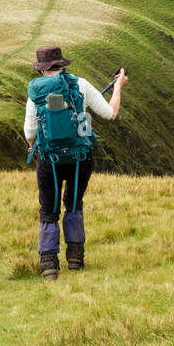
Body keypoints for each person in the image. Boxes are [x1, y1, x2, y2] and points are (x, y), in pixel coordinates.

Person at [23, 45, 127, 280]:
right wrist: (118, 87)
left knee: (48, 209)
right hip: (80, 158)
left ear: (41, 69)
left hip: (49, 158)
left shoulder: (36, 93)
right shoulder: (80, 84)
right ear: (62, 64)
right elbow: (110, 113)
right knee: (73, 203)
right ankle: (75, 258)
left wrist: (33, 147)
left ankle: (49, 265)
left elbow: (29, 130)